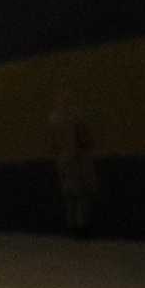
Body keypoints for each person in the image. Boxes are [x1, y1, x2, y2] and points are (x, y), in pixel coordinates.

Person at [49, 91, 98, 237]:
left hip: (65, 159)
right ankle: (80, 225)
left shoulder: (56, 119)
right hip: (76, 159)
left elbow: (54, 142)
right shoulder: (75, 118)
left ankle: (73, 226)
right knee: (82, 193)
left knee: (71, 194)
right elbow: (82, 138)